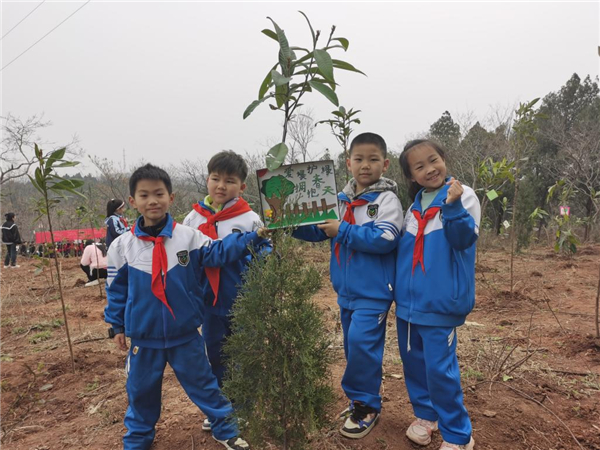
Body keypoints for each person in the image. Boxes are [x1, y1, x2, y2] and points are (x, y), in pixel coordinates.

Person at [105, 163, 267, 450]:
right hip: (144, 337)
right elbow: (116, 290)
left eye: (159, 194)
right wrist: (116, 326)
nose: (152, 201)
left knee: (206, 386)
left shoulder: (188, 237)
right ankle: (138, 439)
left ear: (171, 197)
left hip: (186, 334)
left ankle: (225, 428)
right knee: (141, 392)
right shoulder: (122, 246)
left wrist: (254, 236)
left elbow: (220, 251)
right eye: (144, 195)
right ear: (132, 202)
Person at [292, 132, 403, 439]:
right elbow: (319, 232)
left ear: (385, 164)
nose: (365, 165)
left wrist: (341, 229)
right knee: (352, 347)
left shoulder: (386, 200)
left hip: (375, 292)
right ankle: (358, 399)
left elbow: (385, 238)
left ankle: (367, 406)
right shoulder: (338, 200)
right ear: (348, 163)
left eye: (372, 159)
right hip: (346, 292)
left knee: (363, 347)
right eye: (358, 159)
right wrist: (287, 224)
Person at [395, 140, 480, 450]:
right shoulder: (413, 206)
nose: (430, 169)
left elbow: (462, 239)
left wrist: (453, 205)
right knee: (414, 363)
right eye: (419, 166)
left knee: (439, 369)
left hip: (439, 303)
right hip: (408, 305)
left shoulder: (462, 195)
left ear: (444, 159)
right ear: (412, 176)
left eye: (433, 160)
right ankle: (426, 417)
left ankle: (458, 435)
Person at [182, 150, 270, 432]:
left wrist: (265, 265)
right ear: (207, 180)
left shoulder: (250, 219)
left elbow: (266, 250)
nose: (221, 186)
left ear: (242, 187)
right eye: (215, 178)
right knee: (216, 353)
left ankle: (241, 406)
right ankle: (220, 406)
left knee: (243, 352)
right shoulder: (193, 219)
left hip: (241, 298)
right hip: (207, 301)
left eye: (229, 181)